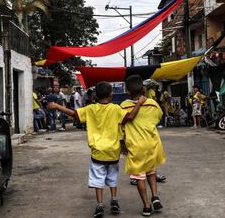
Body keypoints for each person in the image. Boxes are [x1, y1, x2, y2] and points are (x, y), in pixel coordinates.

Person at [49, 81, 146, 217]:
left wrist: (57, 106)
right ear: (111, 94)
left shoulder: (90, 109)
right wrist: (140, 103)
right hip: (113, 151)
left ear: (95, 95)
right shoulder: (116, 108)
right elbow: (129, 117)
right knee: (112, 178)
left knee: (97, 180)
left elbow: (74, 114)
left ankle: (100, 204)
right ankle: (114, 200)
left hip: (97, 152)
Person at [120, 75, 166, 216]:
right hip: (152, 144)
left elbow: (120, 127)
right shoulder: (152, 104)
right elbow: (158, 117)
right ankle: (155, 196)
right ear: (143, 89)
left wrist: (122, 145)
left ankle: (146, 206)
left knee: (139, 177)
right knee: (151, 172)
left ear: (128, 90)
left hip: (135, 146)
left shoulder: (124, 106)